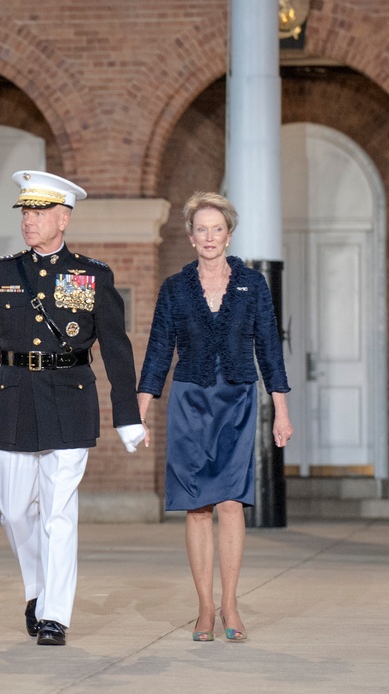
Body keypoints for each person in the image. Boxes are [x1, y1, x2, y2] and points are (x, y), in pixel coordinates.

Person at [0, 171, 146, 646]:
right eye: (25, 211)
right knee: (12, 510)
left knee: (58, 515)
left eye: (39, 211)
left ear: (63, 217)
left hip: (70, 399)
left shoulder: (88, 275)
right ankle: (38, 588)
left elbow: (115, 347)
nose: (29, 220)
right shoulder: (2, 273)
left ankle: (54, 615)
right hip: (16, 399)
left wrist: (127, 413)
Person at [137, 191, 293, 643]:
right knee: (198, 506)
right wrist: (140, 413)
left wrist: (281, 412)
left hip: (239, 402)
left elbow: (270, 351)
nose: (209, 236)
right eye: (201, 229)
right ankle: (205, 607)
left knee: (230, 502)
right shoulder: (174, 288)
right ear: (190, 237)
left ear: (229, 234)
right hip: (189, 403)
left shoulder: (253, 284)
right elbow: (158, 353)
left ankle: (230, 603)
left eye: (217, 229)